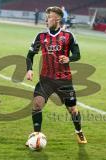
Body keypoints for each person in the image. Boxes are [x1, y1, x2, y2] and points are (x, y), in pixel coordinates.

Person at [25, 6, 87, 145]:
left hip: (64, 80)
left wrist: (68, 58)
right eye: (46, 17)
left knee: (72, 109)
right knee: (36, 104)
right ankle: (36, 135)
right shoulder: (41, 36)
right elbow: (30, 55)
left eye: (49, 17)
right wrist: (29, 69)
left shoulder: (68, 36)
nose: (46, 19)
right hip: (45, 79)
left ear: (57, 19)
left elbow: (77, 55)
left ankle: (79, 131)